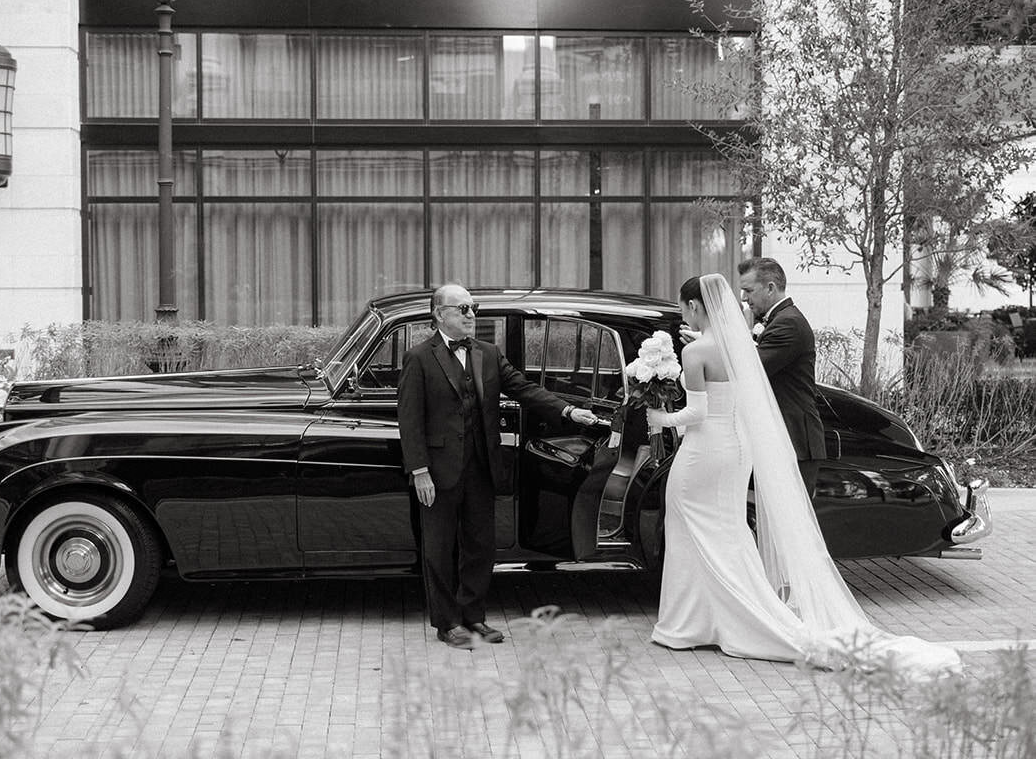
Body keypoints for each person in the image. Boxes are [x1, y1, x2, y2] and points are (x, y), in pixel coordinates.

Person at [647, 274, 960, 676]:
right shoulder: (738, 348)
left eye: (682, 306)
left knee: (688, 525)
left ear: (693, 308)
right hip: (735, 450)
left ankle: (688, 622)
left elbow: (698, 413)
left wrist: (661, 417)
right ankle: (721, 613)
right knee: (728, 531)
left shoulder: (695, 354)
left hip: (704, 451)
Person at [397, 282, 600, 649]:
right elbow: (409, 421)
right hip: (438, 470)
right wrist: (420, 470)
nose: (472, 314)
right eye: (463, 309)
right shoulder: (419, 358)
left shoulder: (488, 354)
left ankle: (473, 617)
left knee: (481, 546)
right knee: (439, 547)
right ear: (440, 314)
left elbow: (524, 389)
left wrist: (567, 411)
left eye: (473, 307)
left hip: (482, 466)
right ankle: (447, 624)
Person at [738, 257, 826, 497]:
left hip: (795, 439)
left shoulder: (788, 324)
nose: (744, 298)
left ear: (770, 288)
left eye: (748, 290)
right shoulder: (782, 319)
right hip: (785, 438)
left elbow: (750, 369)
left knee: (794, 524)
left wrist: (711, 348)